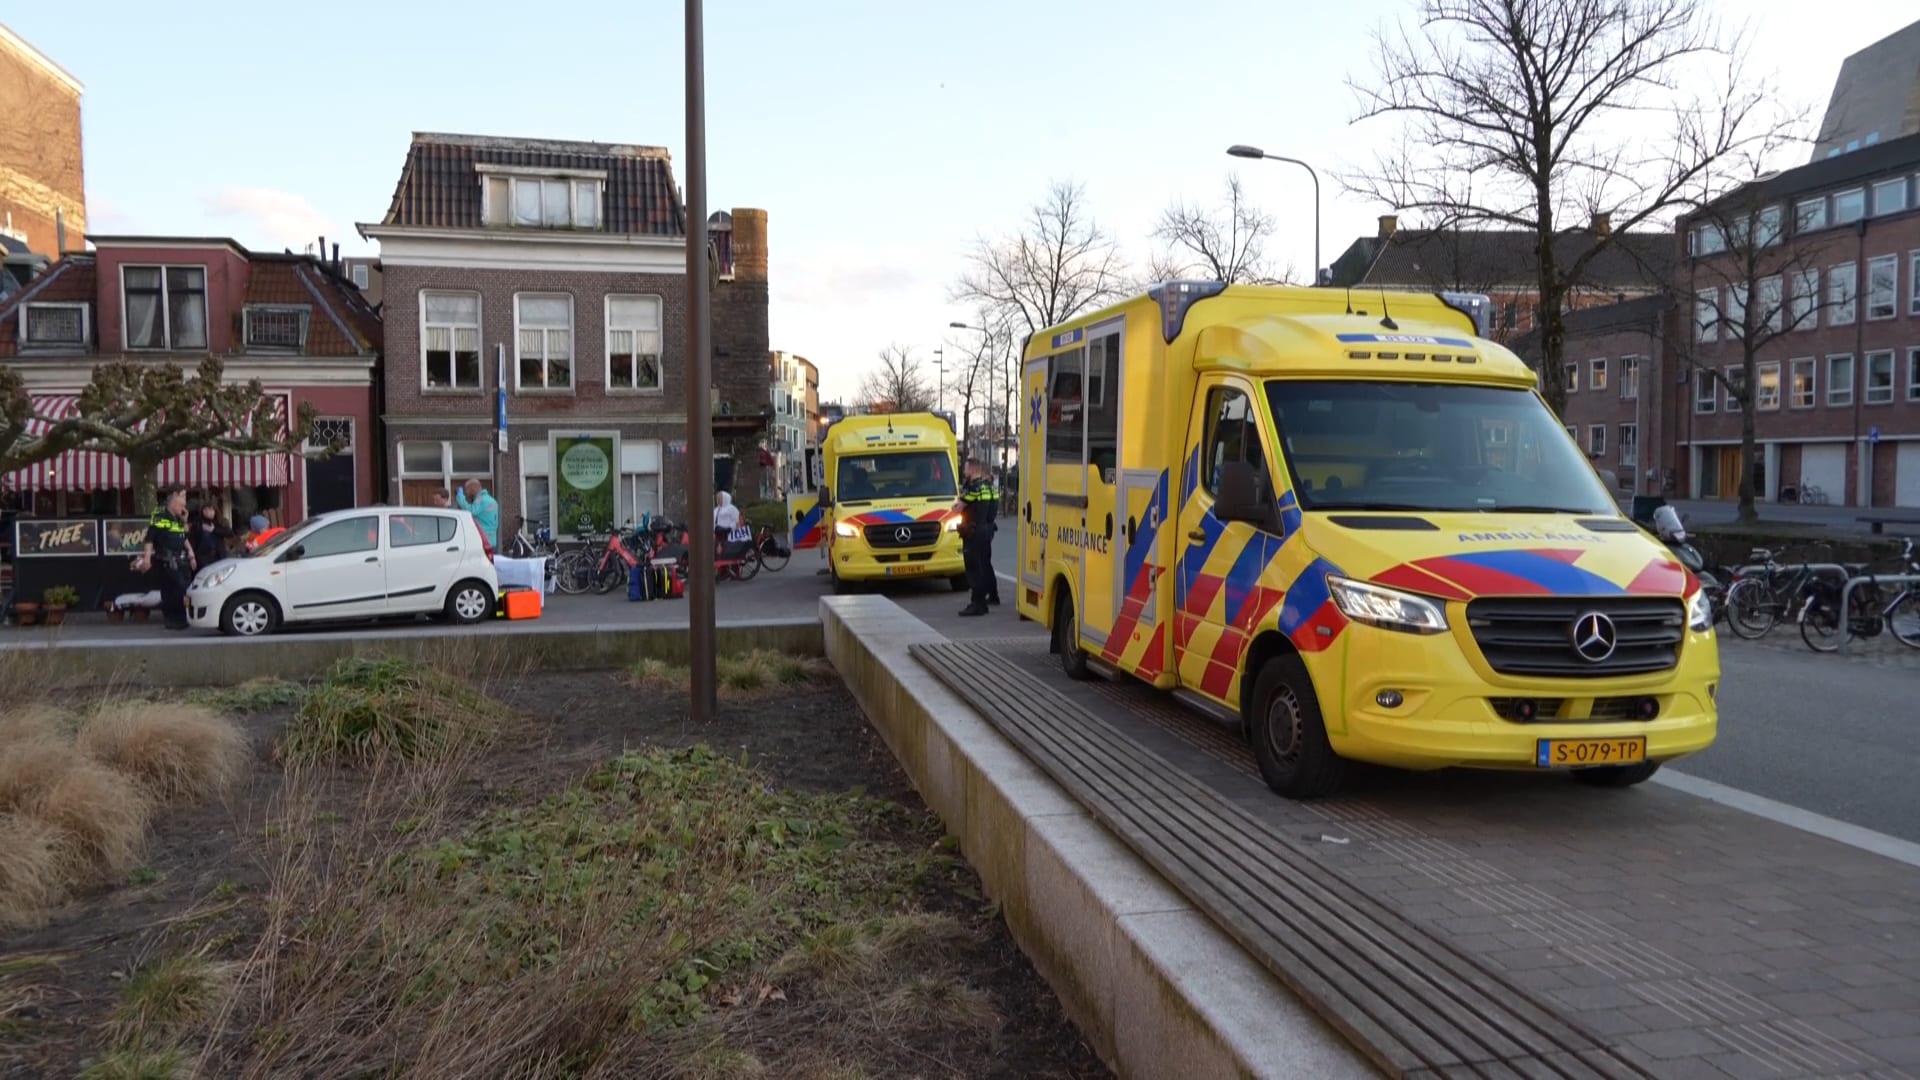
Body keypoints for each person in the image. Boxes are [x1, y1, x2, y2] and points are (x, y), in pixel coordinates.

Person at [137, 488, 198, 631]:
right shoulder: (160, 515)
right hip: (167, 559)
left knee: (183, 589)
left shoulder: (178, 518)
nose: (184, 506)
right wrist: (147, 558)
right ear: (174, 499)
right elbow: (150, 538)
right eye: (182, 500)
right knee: (174, 590)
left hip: (181, 559)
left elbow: (183, 537)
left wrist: (191, 553)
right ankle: (174, 619)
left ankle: (182, 618)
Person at [954, 457, 999, 617]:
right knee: (983, 565)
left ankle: (977, 603)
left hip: (972, 531)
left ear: (972, 469)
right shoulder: (988, 488)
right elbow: (992, 510)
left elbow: (958, 508)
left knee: (973, 569)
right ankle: (985, 600)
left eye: (966, 468)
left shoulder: (973, 488)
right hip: (985, 529)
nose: (964, 471)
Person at [455, 479, 500, 550]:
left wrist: (460, 495)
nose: (466, 492)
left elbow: (471, 510)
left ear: (472, 489)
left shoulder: (480, 499)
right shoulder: (490, 499)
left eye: (466, 489)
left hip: (483, 539)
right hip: (491, 539)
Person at [188, 500, 231, 568]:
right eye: (206, 510)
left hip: (219, 556)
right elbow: (192, 541)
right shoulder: (197, 523)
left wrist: (213, 530)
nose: (210, 512)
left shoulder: (219, 521)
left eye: (212, 510)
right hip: (203, 558)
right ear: (203, 511)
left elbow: (230, 533)